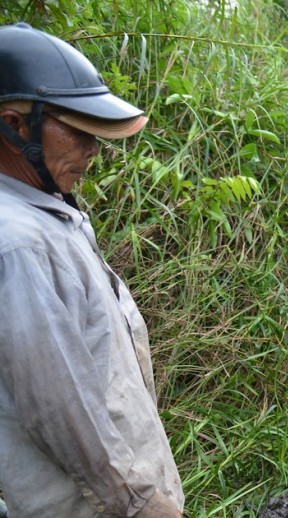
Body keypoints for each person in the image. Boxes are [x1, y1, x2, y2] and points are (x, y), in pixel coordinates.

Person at [0, 23, 184, 517]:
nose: (94, 149)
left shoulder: (46, 208)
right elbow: (60, 406)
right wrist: (142, 503)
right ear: (16, 126)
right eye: (79, 132)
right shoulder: (16, 245)